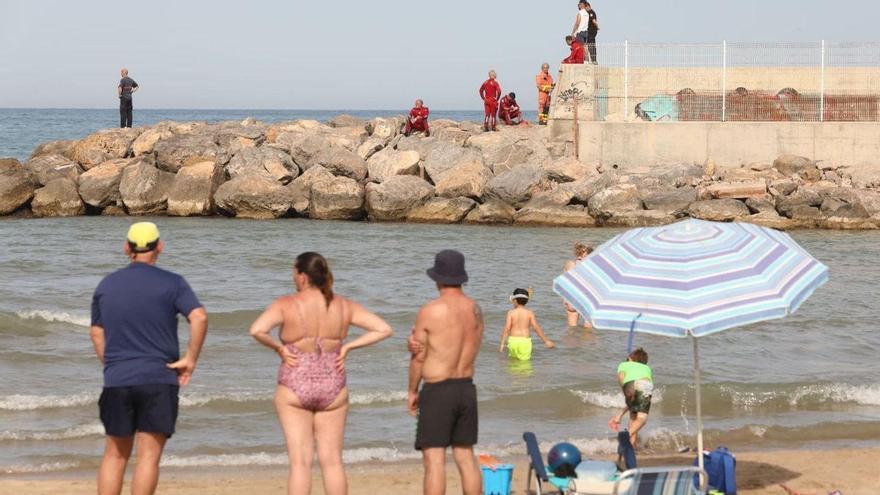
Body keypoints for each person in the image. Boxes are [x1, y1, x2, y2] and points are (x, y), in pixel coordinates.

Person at [249, 252, 393, 495]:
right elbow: (383, 329)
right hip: (333, 383)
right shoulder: (343, 305)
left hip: (295, 380)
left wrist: (280, 348)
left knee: (300, 464)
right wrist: (347, 346)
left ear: (303, 277)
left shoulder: (287, 303)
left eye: (294, 273)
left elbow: (257, 330)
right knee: (333, 461)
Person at [89, 222, 208, 495]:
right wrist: (190, 359)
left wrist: (111, 364)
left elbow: (96, 332)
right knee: (148, 457)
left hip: (118, 379)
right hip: (159, 377)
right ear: (160, 248)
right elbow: (199, 316)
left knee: (115, 454)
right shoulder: (173, 282)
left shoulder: (107, 284)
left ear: (126, 248)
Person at [408, 250, 484, 495]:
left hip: (439, 389)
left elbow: (419, 355)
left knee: (434, 460)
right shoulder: (475, 309)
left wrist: (412, 390)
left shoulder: (431, 310)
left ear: (437, 278)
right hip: (466, 388)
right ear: (461, 277)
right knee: (465, 456)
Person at [608, 348, 653, 449]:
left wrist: (624, 388)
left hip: (629, 386)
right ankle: (626, 436)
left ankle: (631, 446)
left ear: (630, 358)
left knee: (633, 417)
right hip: (644, 384)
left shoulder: (623, 364)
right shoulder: (647, 368)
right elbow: (641, 387)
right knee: (641, 418)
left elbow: (621, 376)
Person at [499, 288, 555, 361]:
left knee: (513, 362)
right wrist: (546, 341)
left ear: (515, 300)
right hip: (525, 342)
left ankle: (513, 372)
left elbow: (507, 328)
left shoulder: (510, 313)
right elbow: (536, 327)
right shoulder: (529, 313)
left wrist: (502, 344)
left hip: (513, 341)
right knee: (524, 365)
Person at [563, 242, 593, 327]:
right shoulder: (590, 266)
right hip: (586, 298)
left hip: (570, 298)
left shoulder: (570, 263)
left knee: (572, 330)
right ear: (586, 254)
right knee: (588, 332)